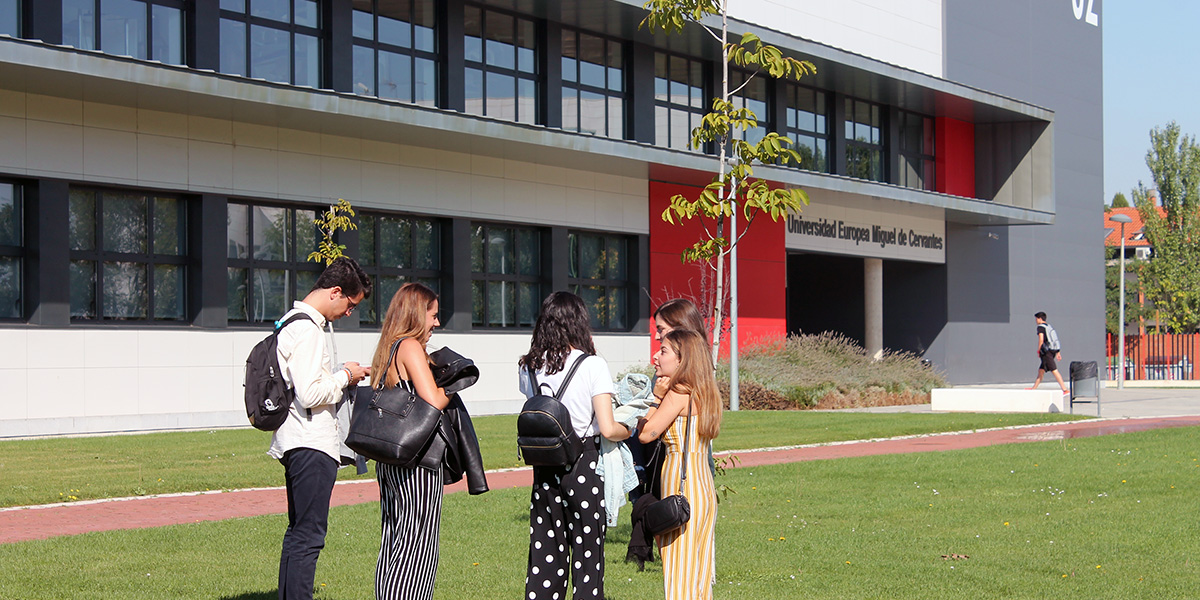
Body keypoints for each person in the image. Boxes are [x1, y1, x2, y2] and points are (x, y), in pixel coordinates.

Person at [518, 291, 631, 600]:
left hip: (545, 466)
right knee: (588, 561)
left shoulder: (528, 366)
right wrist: (633, 426)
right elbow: (608, 427)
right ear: (579, 323)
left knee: (545, 557)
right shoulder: (592, 365)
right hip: (584, 464)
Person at [271, 257, 372, 600]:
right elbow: (311, 393)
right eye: (350, 305)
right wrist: (347, 376)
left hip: (295, 439)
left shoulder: (289, 322)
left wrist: (340, 372)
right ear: (336, 292)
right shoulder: (308, 330)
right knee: (309, 536)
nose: (349, 313)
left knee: (298, 532)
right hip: (311, 442)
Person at [369, 282, 453, 600]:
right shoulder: (410, 347)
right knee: (417, 547)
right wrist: (457, 382)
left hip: (390, 457)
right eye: (432, 315)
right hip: (417, 463)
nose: (436, 323)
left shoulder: (387, 347)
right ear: (418, 314)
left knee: (393, 540)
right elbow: (431, 400)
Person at [637, 328, 722, 600]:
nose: (656, 356)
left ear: (681, 359)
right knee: (699, 570)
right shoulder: (707, 392)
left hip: (680, 484)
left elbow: (645, 434)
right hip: (704, 486)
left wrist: (656, 397)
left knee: (679, 570)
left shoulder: (678, 394)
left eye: (663, 351)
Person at [1029, 311, 1068, 394]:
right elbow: (1055, 340)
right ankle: (1033, 389)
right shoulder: (1049, 327)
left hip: (1046, 352)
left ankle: (1064, 389)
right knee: (1041, 371)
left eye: (1036, 319)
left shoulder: (1040, 327)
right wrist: (1058, 352)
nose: (1036, 321)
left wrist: (1039, 350)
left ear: (1040, 319)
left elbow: (1041, 339)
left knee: (1054, 370)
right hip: (1053, 350)